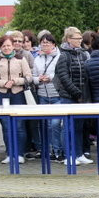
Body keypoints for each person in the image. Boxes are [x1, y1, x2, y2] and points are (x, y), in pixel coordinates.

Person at [0, 34, 32, 165]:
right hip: (3, 95)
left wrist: (15, 81)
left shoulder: (21, 59)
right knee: (6, 125)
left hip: (18, 94)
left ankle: (19, 153)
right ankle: (9, 153)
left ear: (13, 46)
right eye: (4, 46)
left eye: (8, 45)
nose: (6, 48)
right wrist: (3, 83)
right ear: (0, 47)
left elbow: (28, 77)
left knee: (19, 125)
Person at [54, 26, 92, 165]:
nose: (80, 40)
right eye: (77, 38)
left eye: (81, 38)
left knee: (79, 126)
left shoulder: (83, 54)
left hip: (81, 96)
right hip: (68, 96)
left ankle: (79, 153)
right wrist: (76, 92)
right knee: (68, 127)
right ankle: (68, 155)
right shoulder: (63, 55)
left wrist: (84, 94)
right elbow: (63, 77)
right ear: (69, 39)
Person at [32, 33, 63, 161]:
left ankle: (58, 150)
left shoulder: (60, 57)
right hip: (42, 95)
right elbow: (33, 76)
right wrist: (38, 79)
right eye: (42, 43)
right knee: (44, 124)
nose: (45, 45)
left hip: (56, 94)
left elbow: (60, 74)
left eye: (47, 42)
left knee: (55, 124)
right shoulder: (37, 58)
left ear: (54, 44)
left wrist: (50, 78)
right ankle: (49, 150)